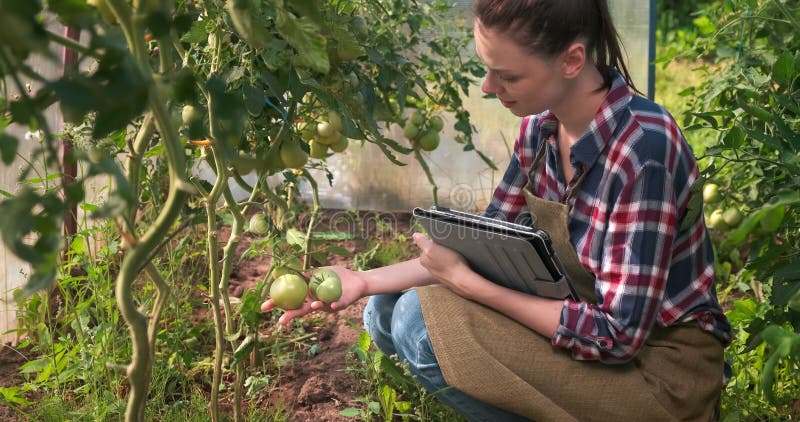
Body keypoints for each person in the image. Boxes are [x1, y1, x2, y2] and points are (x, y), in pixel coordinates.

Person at [262, 0, 733, 420]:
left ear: (571, 60)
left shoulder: (641, 151)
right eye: (488, 70)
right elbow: (488, 238)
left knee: (414, 322)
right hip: (583, 319)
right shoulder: (540, 130)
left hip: (656, 368)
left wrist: (471, 286)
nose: (489, 87)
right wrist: (363, 281)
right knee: (383, 310)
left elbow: (617, 336)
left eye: (508, 75)